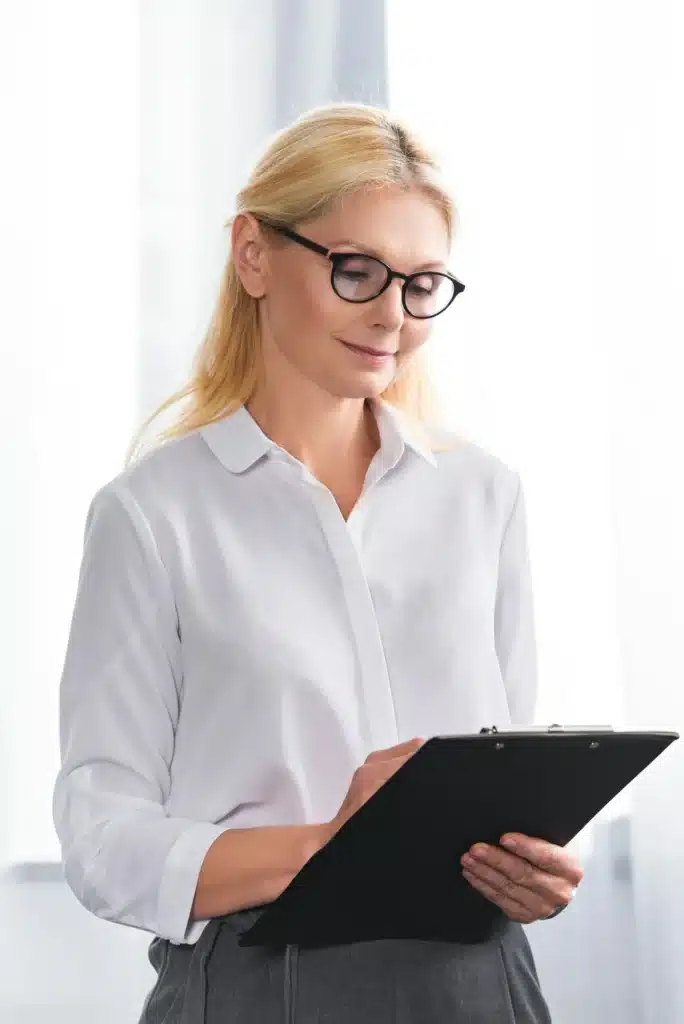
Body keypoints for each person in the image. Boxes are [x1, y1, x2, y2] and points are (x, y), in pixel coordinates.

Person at [52, 102, 583, 1023]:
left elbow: (502, 773)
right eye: (356, 270)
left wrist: (527, 867)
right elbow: (101, 838)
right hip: (264, 982)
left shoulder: (483, 495)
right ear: (253, 253)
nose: (394, 315)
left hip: (479, 983)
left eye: (422, 283)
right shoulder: (152, 514)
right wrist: (330, 844)